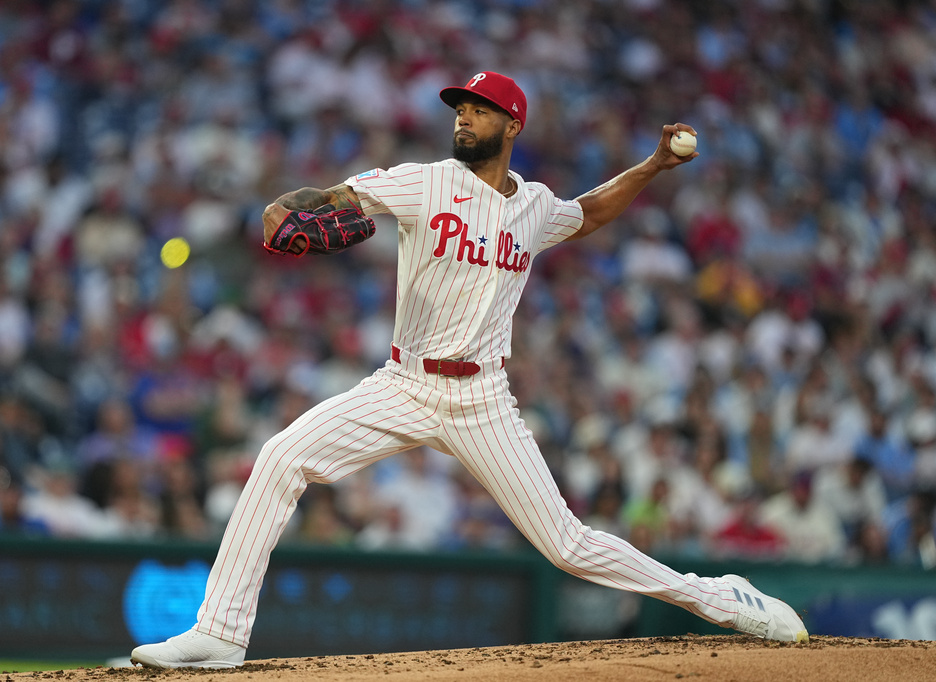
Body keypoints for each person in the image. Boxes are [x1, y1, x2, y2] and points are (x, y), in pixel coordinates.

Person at [131, 71, 808, 669]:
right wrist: (289, 204)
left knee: (568, 545)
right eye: (460, 108)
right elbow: (337, 195)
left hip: (484, 396)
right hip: (403, 384)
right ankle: (218, 632)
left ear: (512, 124)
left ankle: (718, 597)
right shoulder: (424, 181)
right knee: (280, 456)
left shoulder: (535, 205)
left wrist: (654, 165)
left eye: (480, 110)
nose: (464, 117)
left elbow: (592, 211)